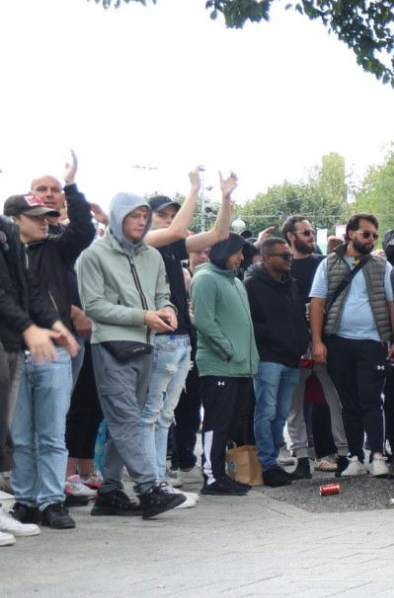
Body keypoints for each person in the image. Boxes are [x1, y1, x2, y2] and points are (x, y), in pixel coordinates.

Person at [74, 194, 188, 519]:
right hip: (110, 345)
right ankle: (149, 488)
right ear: (117, 217)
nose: (141, 221)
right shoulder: (93, 255)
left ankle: (109, 491)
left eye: (144, 216)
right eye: (134, 216)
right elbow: (93, 306)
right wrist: (143, 316)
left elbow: (163, 293)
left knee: (124, 422)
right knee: (125, 420)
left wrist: (168, 308)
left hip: (146, 345)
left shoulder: (152, 256)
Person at [145, 171, 233, 493]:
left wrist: (224, 198)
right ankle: (153, 480)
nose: (168, 220)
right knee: (152, 415)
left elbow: (218, 234)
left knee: (165, 416)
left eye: (171, 213)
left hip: (181, 337)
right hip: (158, 337)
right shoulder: (143, 242)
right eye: (161, 215)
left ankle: (160, 480)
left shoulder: (172, 247)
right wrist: (195, 188)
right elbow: (179, 229)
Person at [2, 189, 82, 540]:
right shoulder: (7, 242)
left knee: (50, 433)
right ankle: (25, 500)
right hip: (15, 346)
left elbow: (32, 292)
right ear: (14, 219)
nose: (45, 223)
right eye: (36, 217)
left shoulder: (18, 248)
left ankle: (50, 501)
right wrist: (30, 328)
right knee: (18, 437)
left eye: (47, 216)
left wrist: (54, 323)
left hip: (37, 352)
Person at [309, 213, 394, 479]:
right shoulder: (329, 264)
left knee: (372, 400)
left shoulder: (383, 266)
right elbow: (317, 302)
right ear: (350, 234)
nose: (371, 240)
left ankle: (378, 455)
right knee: (348, 403)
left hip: (372, 342)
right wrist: (317, 341)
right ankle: (355, 457)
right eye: (366, 234)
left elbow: (393, 305)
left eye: (374, 235)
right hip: (339, 342)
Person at [191, 234, 261, 495]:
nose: (241, 258)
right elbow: (205, 322)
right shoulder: (205, 279)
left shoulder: (236, 283)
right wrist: (230, 351)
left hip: (240, 367)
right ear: (223, 251)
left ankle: (224, 473)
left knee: (232, 422)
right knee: (217, 422)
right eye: (237, 252)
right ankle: (211, 476)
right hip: (219, 366)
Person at [282, 214, 346, 476]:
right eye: (306, 233)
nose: (311, 237)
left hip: (324, 341)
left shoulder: (323, 264)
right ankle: (300, 458)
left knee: (335, 398)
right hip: (294, 343)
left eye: (311, 233)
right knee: (294, 404)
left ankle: (343, 452)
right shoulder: (281, 267)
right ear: (291, 237)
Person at [246, 236, 309, 487]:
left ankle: (272, 460)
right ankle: (267, 463)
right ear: (266, 257)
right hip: (268, 358)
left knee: (281, 414)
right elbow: (251, 323)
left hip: (291, 359)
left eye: (290, 255)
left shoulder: (290, 284)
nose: (289, 259)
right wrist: (272, 336)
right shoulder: (251, 285)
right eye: (284, 256)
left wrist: (300, 343)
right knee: (267, 411)